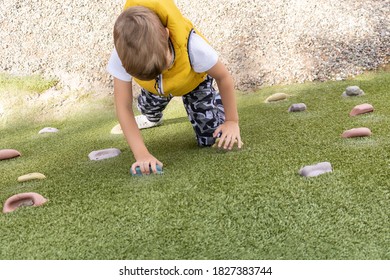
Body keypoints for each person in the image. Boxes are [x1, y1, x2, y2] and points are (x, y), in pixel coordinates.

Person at [107, 0, 242, 175]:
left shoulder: (194, 46)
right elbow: (123, 106)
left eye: (166, 64)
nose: (165, 70)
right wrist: (142, 154)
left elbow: (224, 78)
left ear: (167, 34)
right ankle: (152, 116)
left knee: (211, 138)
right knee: (146, 108)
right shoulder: (123, 54)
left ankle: (216, 104)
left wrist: (232, 121)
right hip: (155, 88)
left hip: (193, 83)